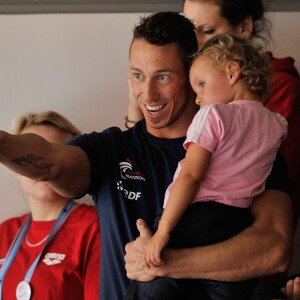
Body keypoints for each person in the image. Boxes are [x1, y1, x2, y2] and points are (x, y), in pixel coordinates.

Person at [0, 12, 293, 300]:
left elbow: (273, 250)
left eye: (163, 77)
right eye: (138, 76)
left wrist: (162, 263)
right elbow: (50, 159)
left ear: (192, 76)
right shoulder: (110, 148)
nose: (148, 95)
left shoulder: (248, 146)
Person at [126, 33, 288, 299]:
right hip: (235, 226)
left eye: (201, 84)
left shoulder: (214, 114)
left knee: (152, 285)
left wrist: (163, 231)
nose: (198, 98)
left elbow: (190, 176)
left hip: (191, 219)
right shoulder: (277, 125)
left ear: (232, 72)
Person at [126, 0, 300, 228]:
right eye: (190, 30)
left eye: (207, 31)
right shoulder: (202, 85)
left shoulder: (277, 88)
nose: (194, 43)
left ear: (244, 27)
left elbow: (268, 183)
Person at [0, 111, 100, 300]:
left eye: (50, 154)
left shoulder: (94, 226)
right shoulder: (5, 233)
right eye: (27, 157)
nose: (39, 166)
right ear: (15, 169)